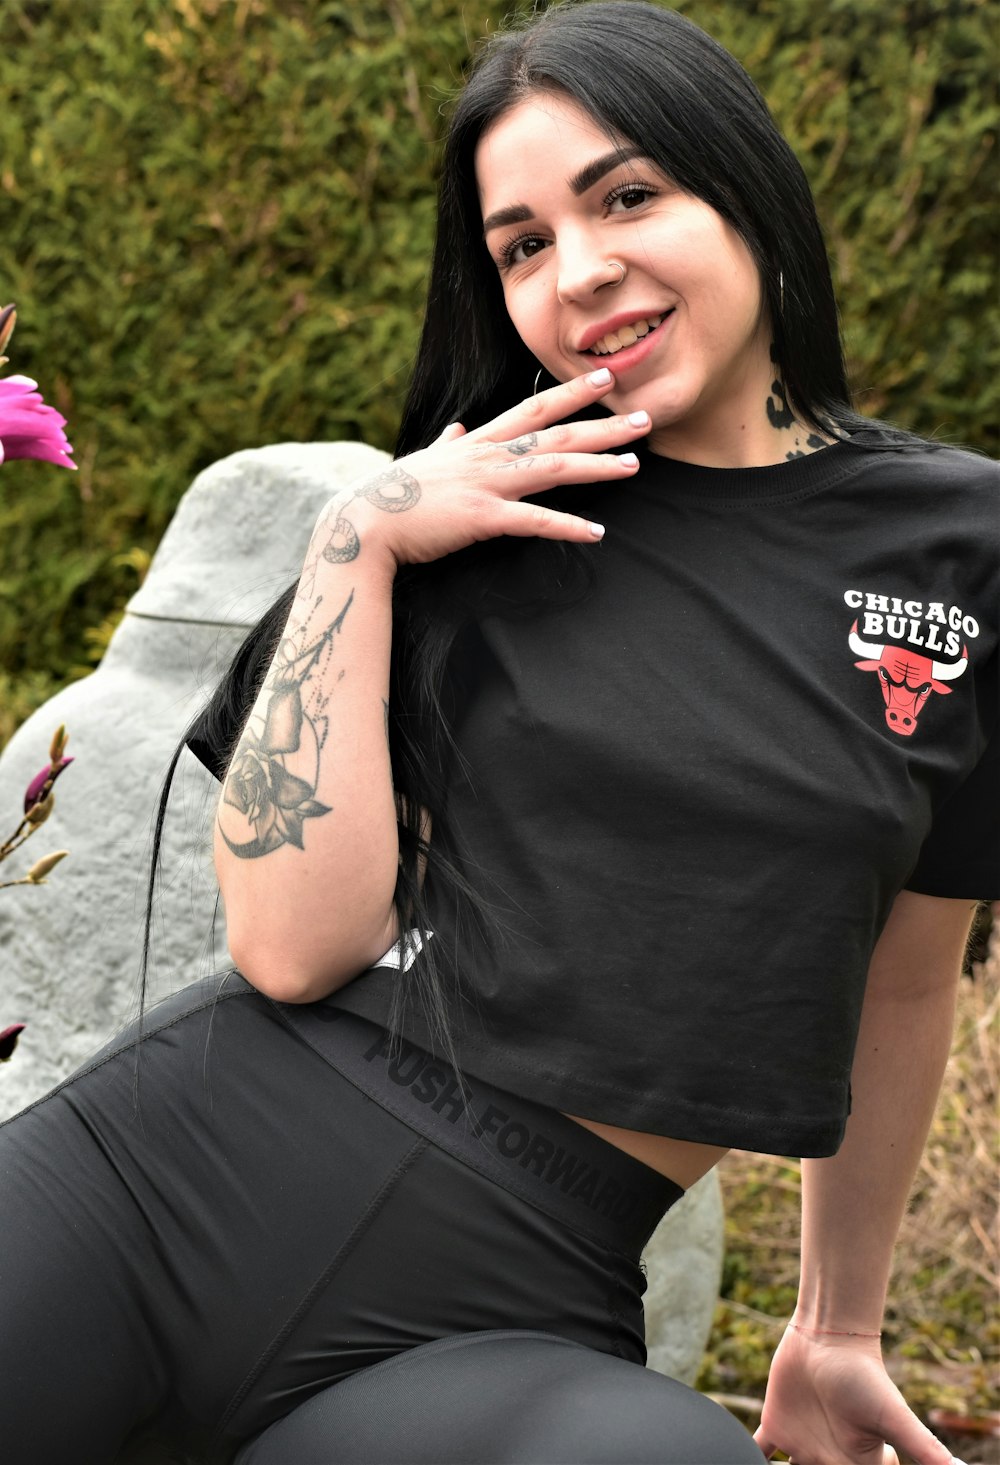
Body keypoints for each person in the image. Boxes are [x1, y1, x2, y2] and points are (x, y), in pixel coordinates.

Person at [1, 2, 995, 1462]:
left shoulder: (962, 546)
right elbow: (288, 946)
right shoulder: (461, 510)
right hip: (161, 1185)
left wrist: (838, 1319)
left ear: (749, 188)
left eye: (629, 196)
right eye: (522, 244)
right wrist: (360, 544)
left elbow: (907, 982)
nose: (579, 271)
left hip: (507, 1321)